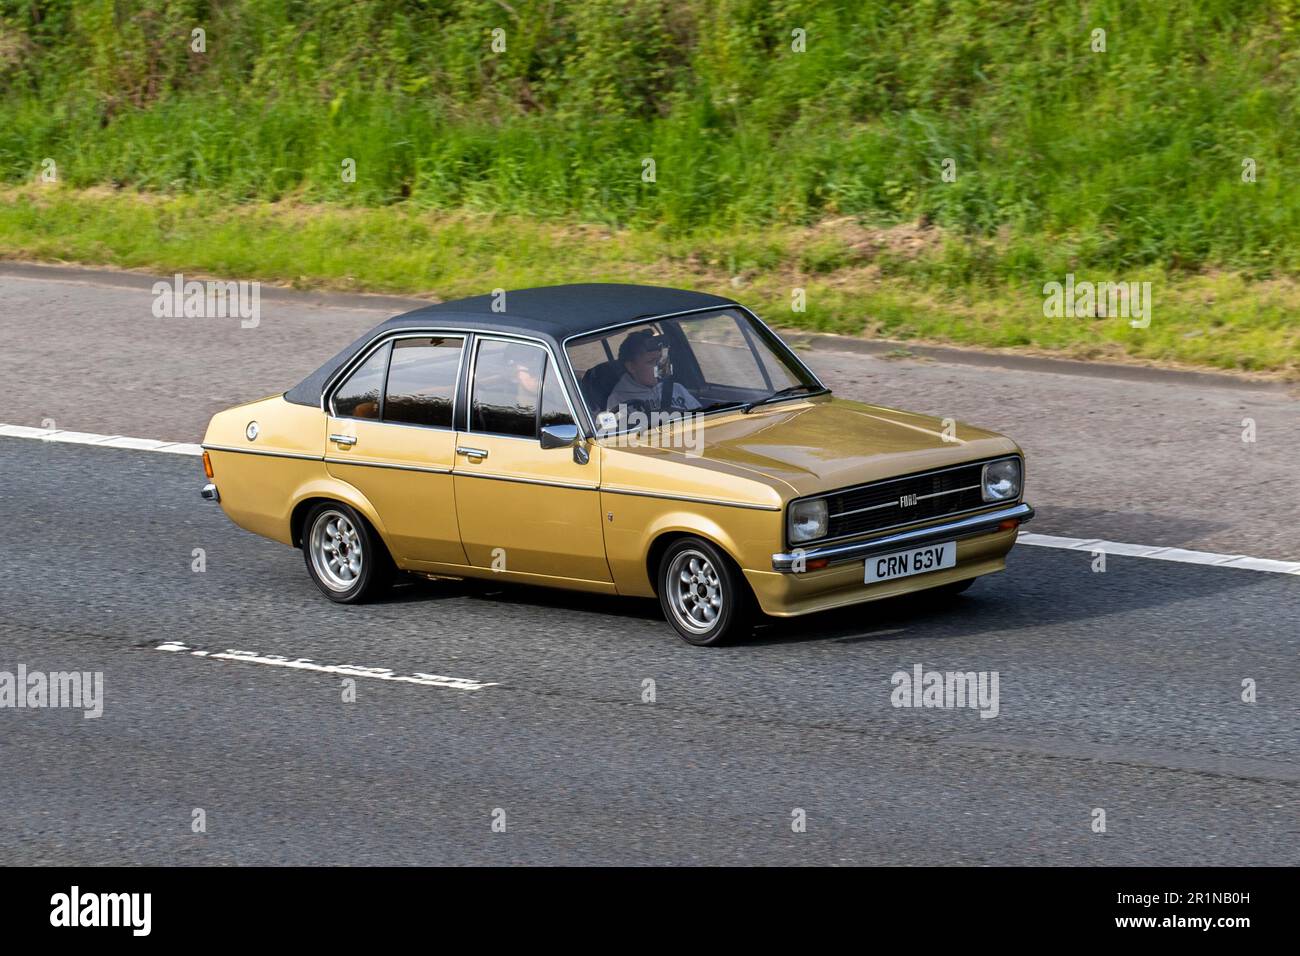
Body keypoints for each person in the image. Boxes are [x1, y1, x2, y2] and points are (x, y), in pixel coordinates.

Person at [604, 330, 700, 425]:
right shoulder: (618, 400)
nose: (659, 367)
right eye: (651, 362)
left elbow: (703, 419)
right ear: (631, 367)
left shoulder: (677, 388)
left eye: (662, 360)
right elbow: (619, 437)